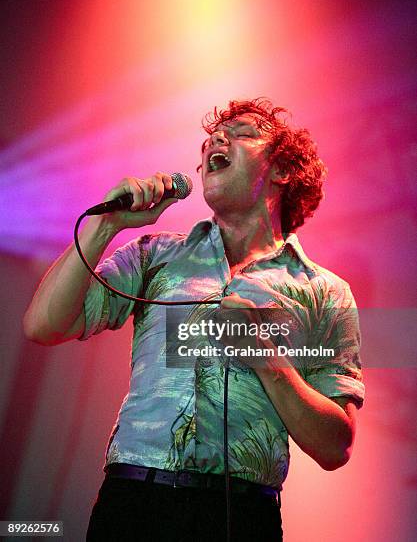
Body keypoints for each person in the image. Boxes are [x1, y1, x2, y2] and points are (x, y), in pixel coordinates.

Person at [24, 98, 364, 541]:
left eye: (242, 132)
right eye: (210, 139)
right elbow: (44, 326)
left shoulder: (325, 291)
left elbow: (335, 446)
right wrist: (105, 226)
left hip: (242, 514)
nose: (215, 141)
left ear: (282, 171)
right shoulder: (155, 254)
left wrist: (268, 360)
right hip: (134, 499)